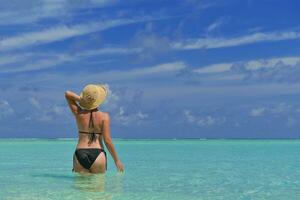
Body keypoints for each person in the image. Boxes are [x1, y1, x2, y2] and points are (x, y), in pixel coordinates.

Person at [65, 84, 124, 174]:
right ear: (99, 100)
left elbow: (67, 94)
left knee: (82, 187)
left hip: (80, 152)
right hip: (98, 154)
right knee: (98, 187)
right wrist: (117, 160)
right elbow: (107, 141)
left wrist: (82, 100)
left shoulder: (79, 113)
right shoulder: (104, 117)